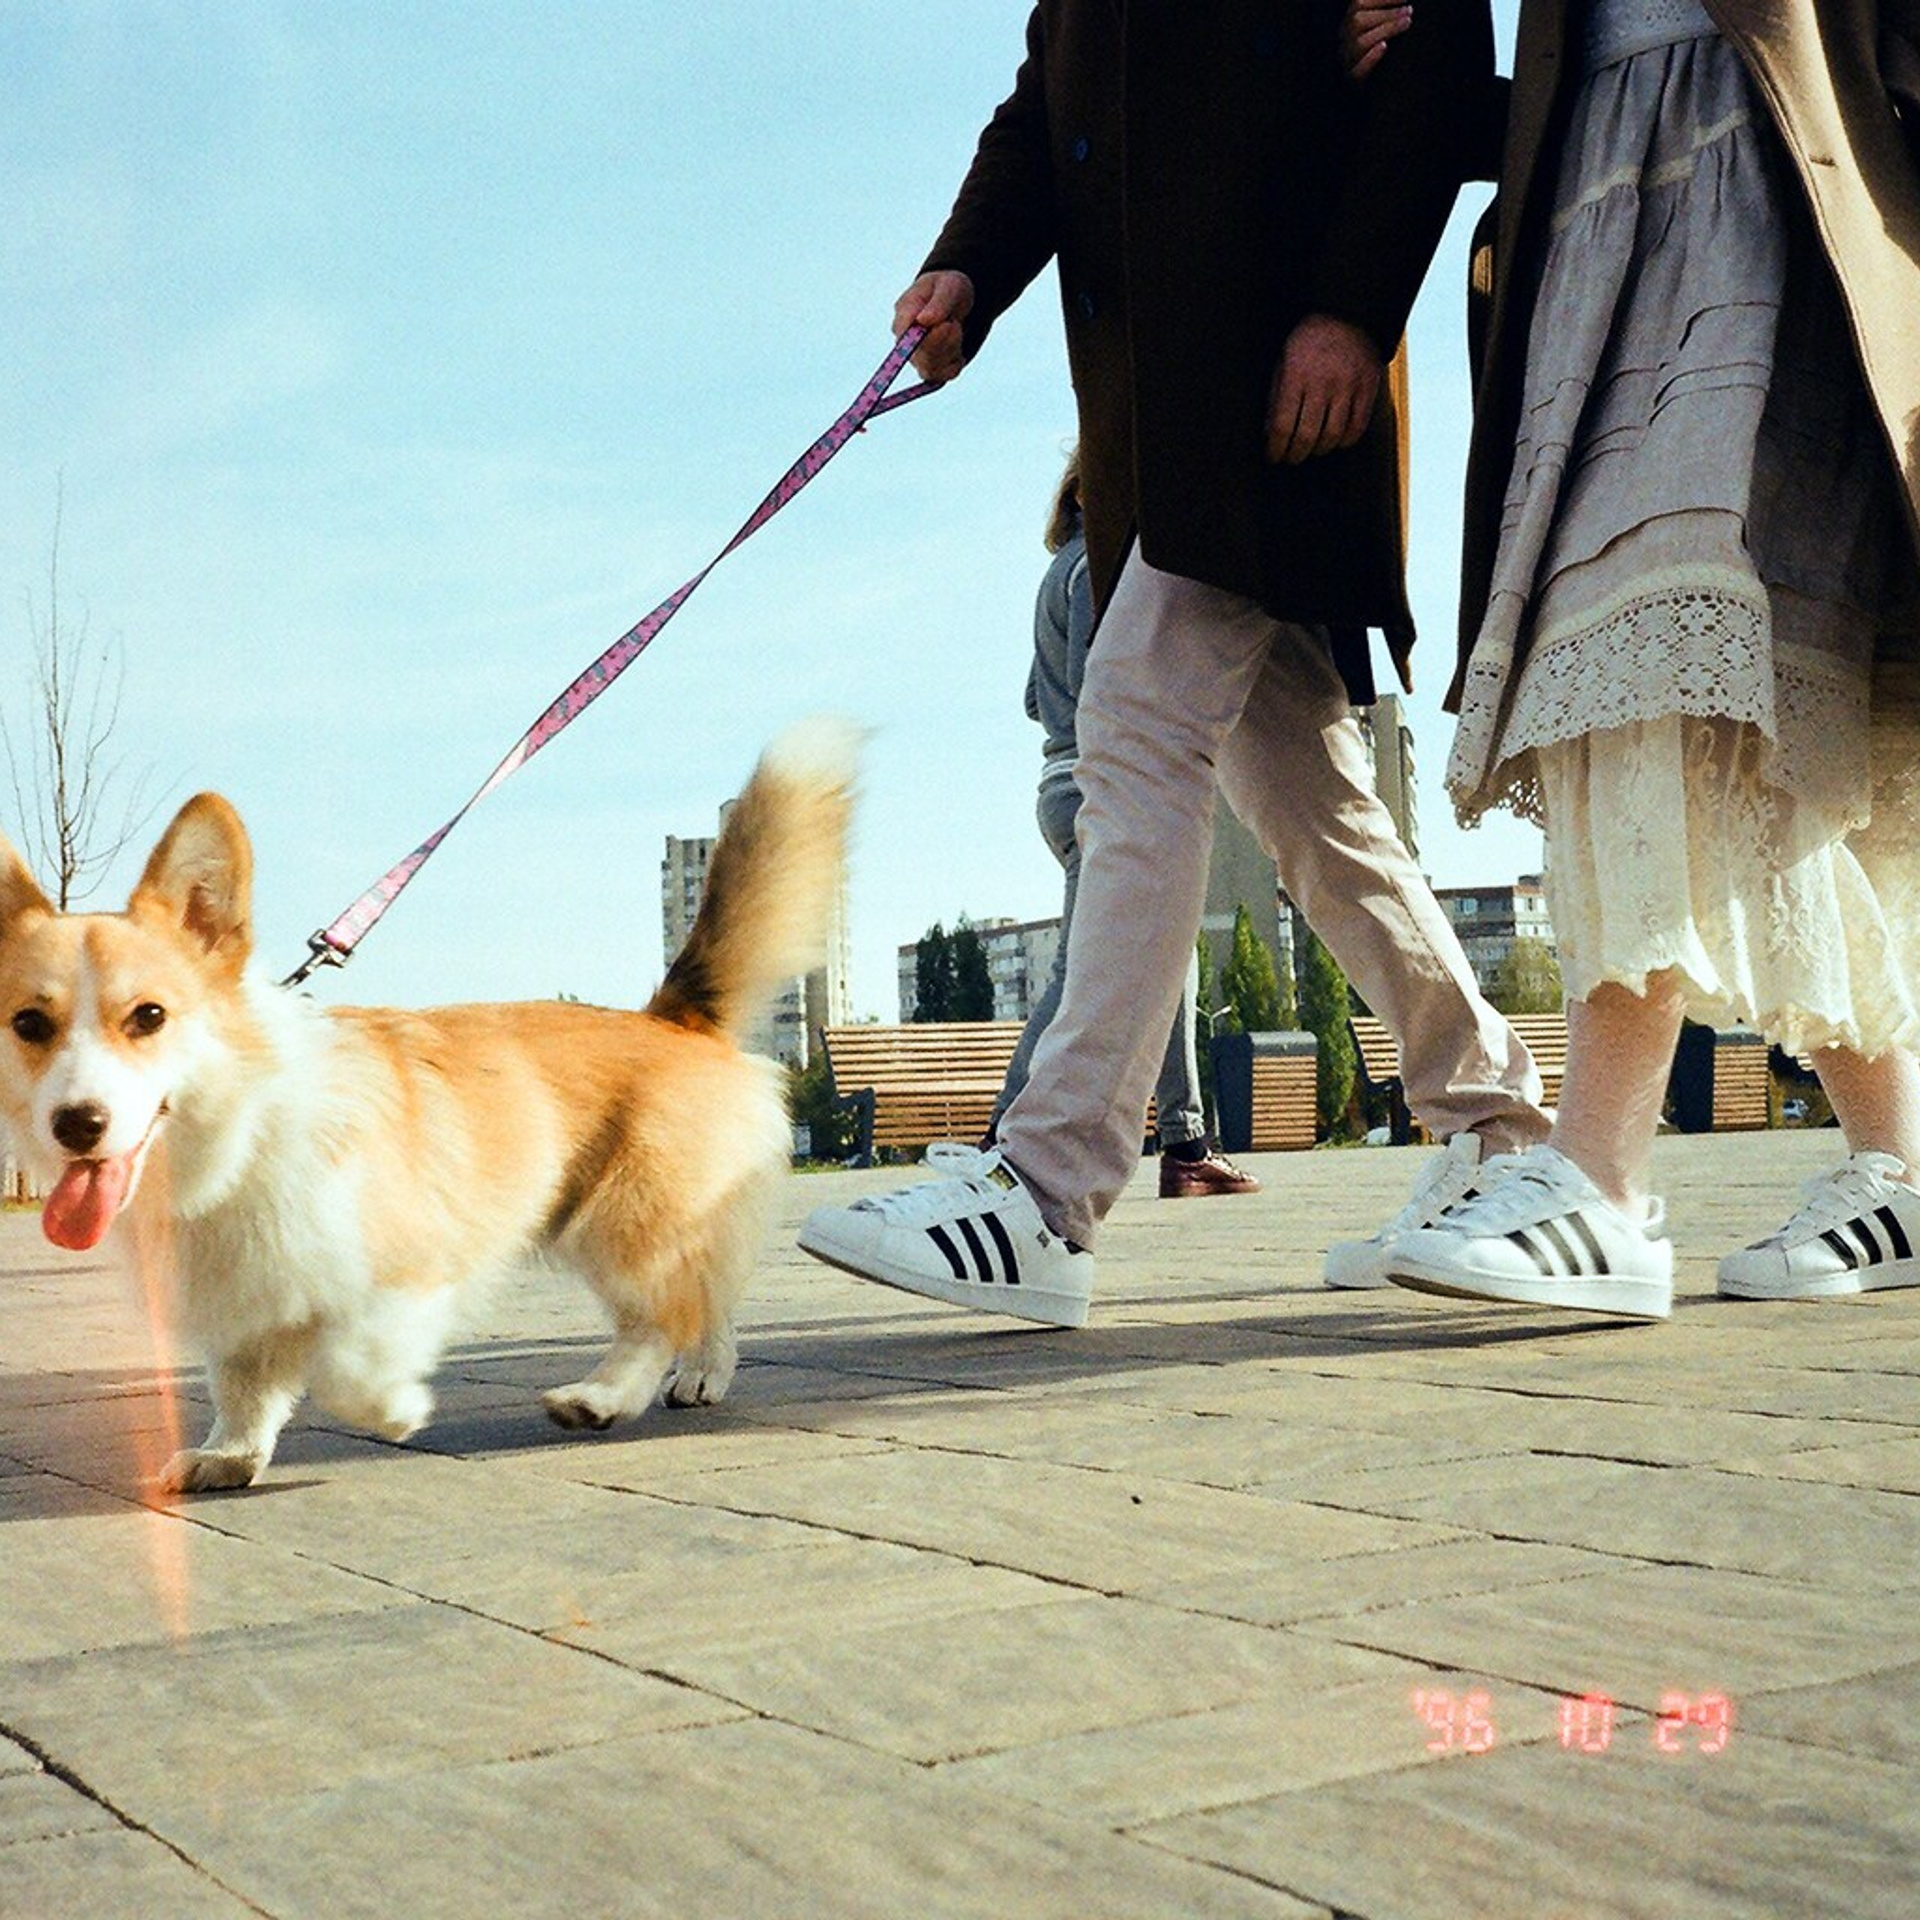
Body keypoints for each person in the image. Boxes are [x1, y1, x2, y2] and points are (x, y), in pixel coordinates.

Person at [798, 0, 1552, 1330]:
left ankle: (1043, 1189)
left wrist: (1352, 313)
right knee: (1318, 816)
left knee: (1134, 715)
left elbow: (1432, 71)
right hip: (1161, 433)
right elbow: (1043, 118)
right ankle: (1501, 1134)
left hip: (1276, 396)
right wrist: (965, 272)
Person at [1343, 0, 1920, 1318]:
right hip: (1600, 205)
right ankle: (1898, 1160)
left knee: (1668, 655)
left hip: (1783, 186)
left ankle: (1598, 1178)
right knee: (1723, 686)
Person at [989, 449, 1260, 1202]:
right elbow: (1097, 680)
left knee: (1168, 958)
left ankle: (1185, 1142)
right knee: (1083, 969)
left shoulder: (1063, 569)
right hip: (1098, 783)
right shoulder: (1093, 571)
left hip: (1065, 782)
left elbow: (1033, 699)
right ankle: (1003, 1141)